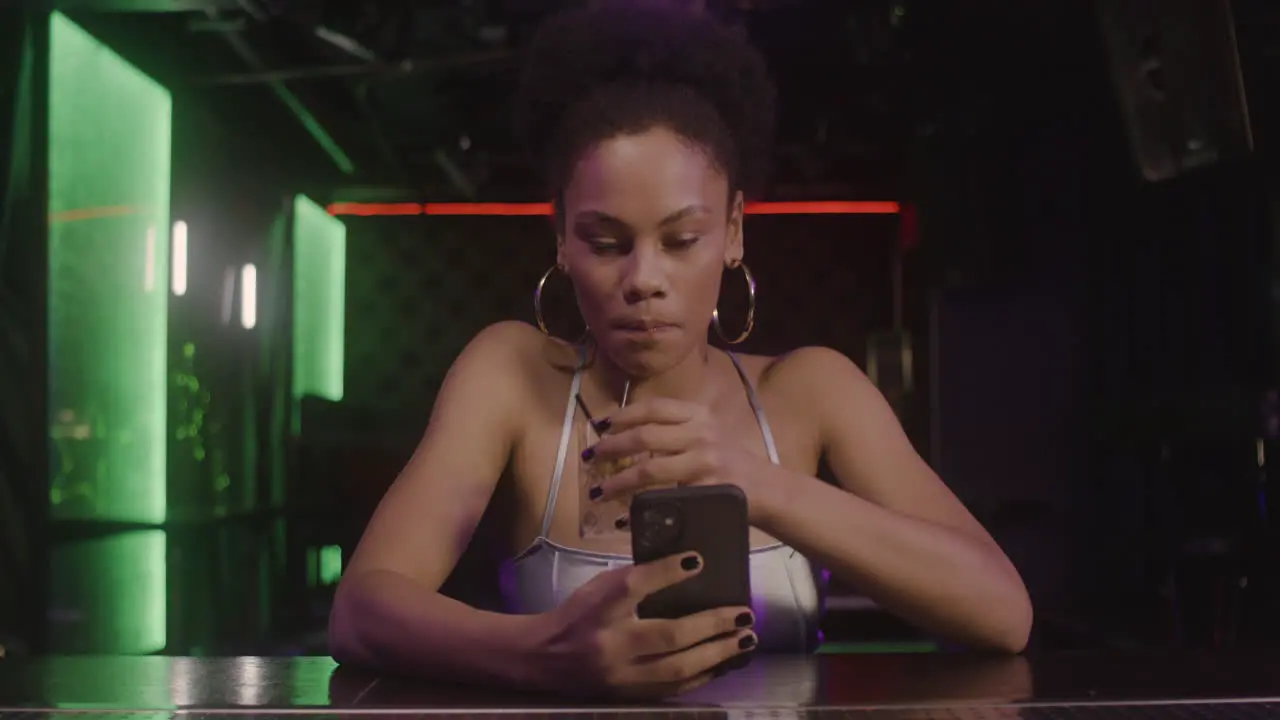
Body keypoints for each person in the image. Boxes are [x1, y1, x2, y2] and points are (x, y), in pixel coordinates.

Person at [329, 1, 1032, 699]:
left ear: (732, 232)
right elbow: (360, 612)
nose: (643, 281)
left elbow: (1003, 614)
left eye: (680, 240)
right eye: (606, 242)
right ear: (562, 239)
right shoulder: (513, 375)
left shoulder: (811, 390)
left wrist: (758, 484)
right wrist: (543, 653)